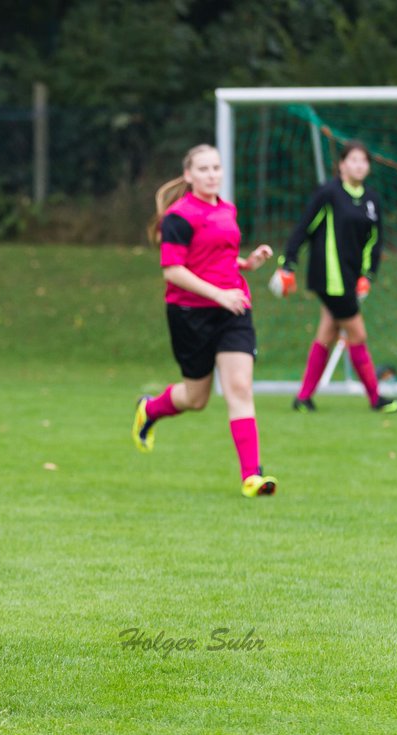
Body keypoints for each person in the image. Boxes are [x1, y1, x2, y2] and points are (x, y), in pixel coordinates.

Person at [131, 144, 279, 498]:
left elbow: (218, 257)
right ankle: (150, 409)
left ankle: (252, 476)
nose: (212, 174)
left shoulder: (227, 210)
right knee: (196, 398)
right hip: (190, 314)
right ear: (188, 175)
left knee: (240, 387)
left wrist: (248, 264)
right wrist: (218, 294)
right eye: (204, 169)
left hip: (233, 310)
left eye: (216, 168)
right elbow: (174, 271)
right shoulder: (178, 217)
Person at [273, 140, 397, 414]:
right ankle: (376, 399)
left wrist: (368, 275)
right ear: (341, 165)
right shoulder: (329, 193)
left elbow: (374, 241)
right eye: (353, 160)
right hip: (328, 277)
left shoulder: (372, 199)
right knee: (358, 333)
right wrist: (288, 263)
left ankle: (304, 398)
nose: (358, 165)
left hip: (351, 277)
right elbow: (304, 227)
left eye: (363, 161)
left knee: (328, 333)